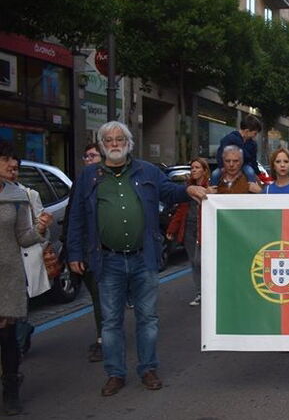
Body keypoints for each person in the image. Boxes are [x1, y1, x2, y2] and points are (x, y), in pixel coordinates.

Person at [67, 121, 209, 397]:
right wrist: (74, 253)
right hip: (107, 260)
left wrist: (189, 190)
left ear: (129, 143)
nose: (114, 144)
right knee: (110, 321)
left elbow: (169, 191)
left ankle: (147, 368)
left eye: (120, 139)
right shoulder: (88, 177)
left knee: (148, 318)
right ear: (101, 145)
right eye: (108, 140)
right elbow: (76, 217)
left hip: (144, 257)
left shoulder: (147, 171)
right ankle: (115, 373)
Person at [0, 142, 51, 414]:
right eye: (6, 159)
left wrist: (40, 227)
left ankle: (10, 391)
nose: (12, 165)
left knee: (7, 338)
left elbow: (23, 238)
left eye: (14, 160)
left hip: (7, 278)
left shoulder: (17, 196)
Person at [61, 143, 106, 361]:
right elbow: (73, 217)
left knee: (101, 296)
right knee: (98, 295)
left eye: (93, 155)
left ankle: (103, 339)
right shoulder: (81, 182)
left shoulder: (109, 182)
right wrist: (73, 251)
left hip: (105, 251)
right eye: (86, 155)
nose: (88, 159)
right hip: (86, 250)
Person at [8, 156, 49, 357]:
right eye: (8, 166)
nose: (12, 171)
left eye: (16, 168)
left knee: (18, 311)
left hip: (20, 262)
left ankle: (17, 351)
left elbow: (40, 232)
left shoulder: (28, 195)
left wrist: (41, 227)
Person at [166, 158, 210, 307]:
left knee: (201, 261)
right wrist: (173, 228)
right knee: (194, 262)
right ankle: (200, 293)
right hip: (189, 228)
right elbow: (180, 210)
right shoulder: (187, 188)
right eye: (192, 168)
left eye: (197, 167)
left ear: (204, 170)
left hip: (204, 229)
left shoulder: (209, 187)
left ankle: (209, 291)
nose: (194, 170)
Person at [212, 114, 261, 185]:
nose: (255, 136)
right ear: (247, 131)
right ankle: (212, 192)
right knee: (215, 174)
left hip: (245, 165)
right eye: (255, 133)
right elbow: (220, 153)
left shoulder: (253, 144)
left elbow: (253, 160)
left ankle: (252, 193)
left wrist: (258, 173)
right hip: (228, 165)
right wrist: (222, 166)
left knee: (250, 172)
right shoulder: (230, 138)